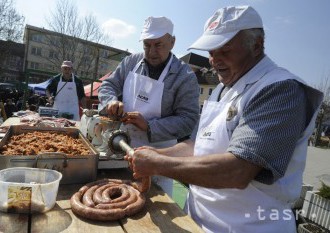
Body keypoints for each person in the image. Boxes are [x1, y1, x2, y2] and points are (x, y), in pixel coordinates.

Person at [126, 5, 324, 233]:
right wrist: (152, 154)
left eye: (225, 50)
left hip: (251, 226)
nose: (214, 60)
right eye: (211, 51)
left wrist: (158, 164)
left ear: (257, 45)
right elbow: (199, 146)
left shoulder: (280, 90)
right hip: (197, 220)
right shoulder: (223, 88)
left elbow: (238, 170)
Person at [98, 16, 200, 196]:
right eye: (147, 45)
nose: (152, 51)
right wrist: (111, 101)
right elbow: (108, 85)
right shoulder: (131, 62)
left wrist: (150, 126)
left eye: (158, 45)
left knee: (153, 200)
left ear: (172, 42)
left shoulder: (184, 76)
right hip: (119, 147)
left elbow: (189, 119)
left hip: (158, 157)